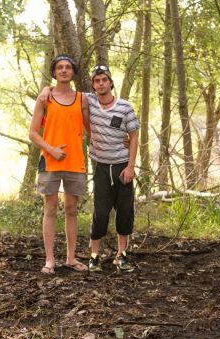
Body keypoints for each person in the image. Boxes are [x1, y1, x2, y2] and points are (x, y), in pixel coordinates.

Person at [39, 64, 139, 272]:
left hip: (122, 166)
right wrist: (46, 88)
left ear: (111, 83)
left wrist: (131, 165)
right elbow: (62, 90)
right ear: (93, 85)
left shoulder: (125, 106)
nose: (101, 84)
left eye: (105, 80)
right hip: (100, 165)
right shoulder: (87, 100)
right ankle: (94, 256)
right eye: (97, 81)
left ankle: (122, 256)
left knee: (124, 212)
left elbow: (134, 135)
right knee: (100, 213)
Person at [29, 54, 90, 274]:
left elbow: (93, 127)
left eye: (68, 67)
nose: (64, 71)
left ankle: (71, 258)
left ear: (73, 72)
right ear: (54, 72)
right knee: (50, 208)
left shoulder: (82, 98)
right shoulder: (45, 98)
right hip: (50, 161)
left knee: (72, 209)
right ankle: (50, 260)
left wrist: (120, 139)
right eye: (59, 68)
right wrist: (51, 149)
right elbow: (33, 133)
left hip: (75, 161)